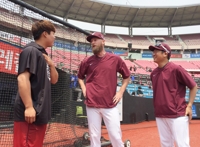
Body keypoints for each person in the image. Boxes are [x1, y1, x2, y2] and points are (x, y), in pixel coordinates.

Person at [78, 32, 130, 147]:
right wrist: (84, 89)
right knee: (94, 137)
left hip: (109, 104)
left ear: (103, 41)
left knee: (115, 136)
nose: (92, 42)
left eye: (95, 40)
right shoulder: (87, 61)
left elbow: (127, 76)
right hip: (92, 104)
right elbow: (80, 77)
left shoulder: (115, 59)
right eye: (91, 41)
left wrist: (120, 92)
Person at [13, 20, 58, 147]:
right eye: (53, 34)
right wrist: (28, 107)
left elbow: (54, 80)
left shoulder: (43, 54)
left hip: (39, 113)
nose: (54, 37)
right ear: (45, 34)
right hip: (29, 113)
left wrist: (52, 65)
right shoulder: (31, 50)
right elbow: (22, 79)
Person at [149, 42, 197, 147]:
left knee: (182, 144)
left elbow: (193, 86)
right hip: (160, 114)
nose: (153, 53)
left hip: (177, 114)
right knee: (165, 144)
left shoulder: (176, 69)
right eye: (153, 51)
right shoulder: (153, 73)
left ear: (165, 54)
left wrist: (189, 106)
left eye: (156, 51)